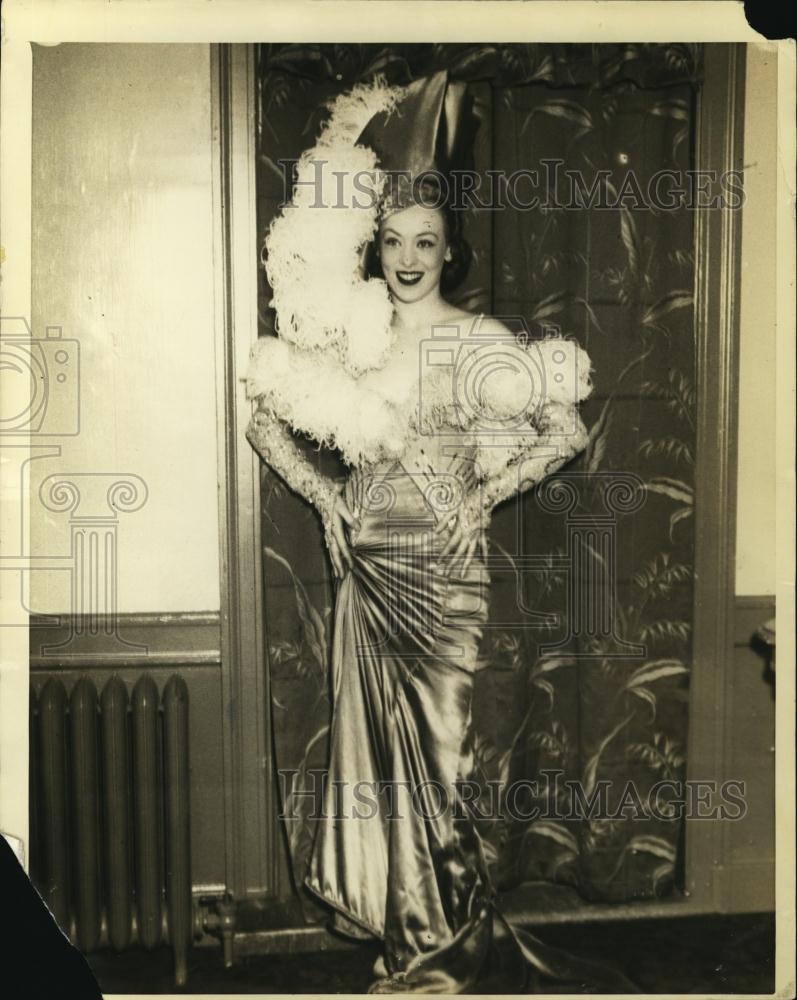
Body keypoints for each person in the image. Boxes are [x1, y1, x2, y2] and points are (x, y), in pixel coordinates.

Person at [245, 72, 633, 995]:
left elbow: (565, 430)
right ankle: (414, 948)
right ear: (374, 248)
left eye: (425, 241)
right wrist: (324, 495)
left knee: (441, 774)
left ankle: (435, 954)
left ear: (448, 248)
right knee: (383, 771)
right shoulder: (347, 337)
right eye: (392, 241)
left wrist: (486, 494)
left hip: (447, 577)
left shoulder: (481, 339)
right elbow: (264, 418)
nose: (408, 258)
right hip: (369, 572)